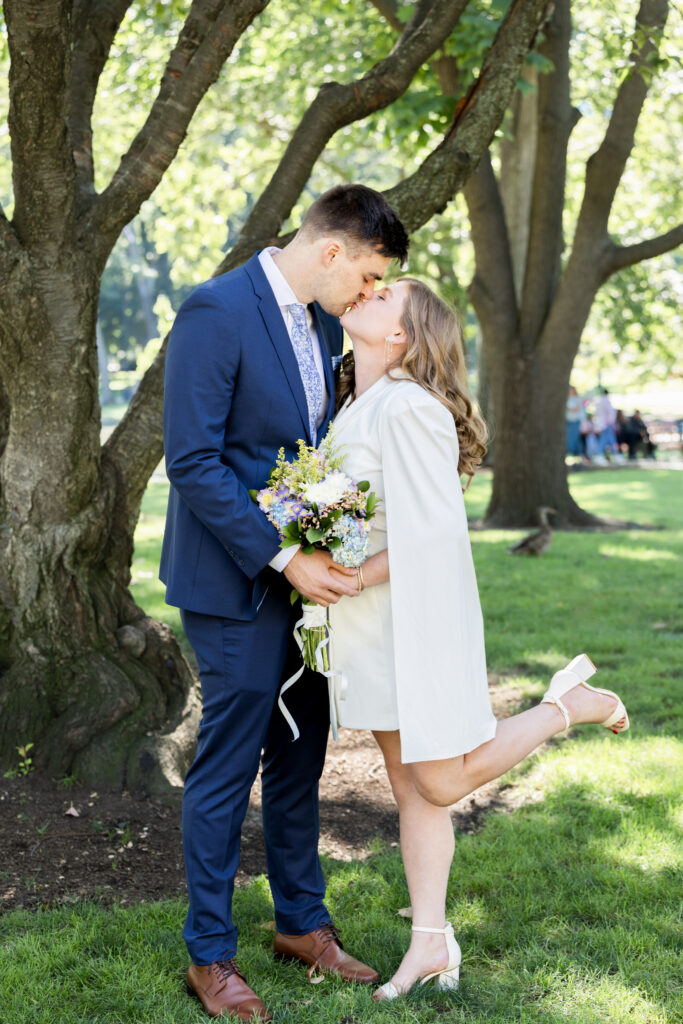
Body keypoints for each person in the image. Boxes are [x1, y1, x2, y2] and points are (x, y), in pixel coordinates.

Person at [327, 278, 629, 1000]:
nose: (368, 289)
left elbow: (432, 532)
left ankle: (567, 707)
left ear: (402, 335)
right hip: (366, 622)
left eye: (386, 291)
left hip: (413, 618)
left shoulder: (407, 406)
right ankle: (430, 942)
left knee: (435, 779)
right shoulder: (353, 406)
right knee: (411, 790)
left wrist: (350, 575)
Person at [160, 184, 410, 1021]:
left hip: (310, 590)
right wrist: (281, 558)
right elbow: (192, 461)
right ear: (332, 250)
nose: (370, 295)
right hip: (232, 583)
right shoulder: (215, 310)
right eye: (369, 276)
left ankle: (303, 925)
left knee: (300, 760)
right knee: (228, 770)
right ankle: (210, 955)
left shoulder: (323, 322)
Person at [565, 385, 584, 457]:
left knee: (573, 437)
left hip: (575, 421)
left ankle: (572, 452)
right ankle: (577, 452)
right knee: (572, 437)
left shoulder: (577, 399)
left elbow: (576, 409)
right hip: (568, 421)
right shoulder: (567, 398)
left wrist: (569, 409)